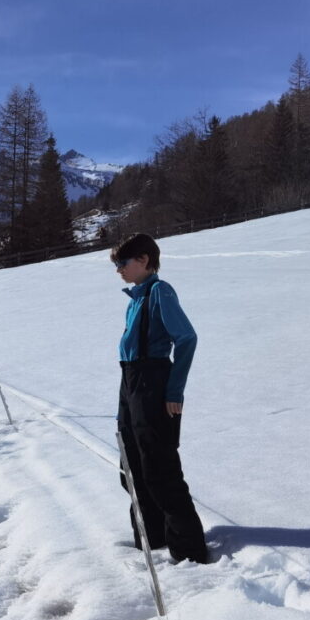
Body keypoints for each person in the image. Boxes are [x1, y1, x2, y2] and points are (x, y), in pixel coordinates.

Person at [112, 233, 208, 564]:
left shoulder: (159, 292)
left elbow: (187, 338)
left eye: (122, 263)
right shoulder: (134, 299)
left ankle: (189, 551)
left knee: (158, 466)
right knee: (131, 462)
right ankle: (151, 539)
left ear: (143, 260)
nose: (119, 271)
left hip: (153, 382)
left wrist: (173, 391)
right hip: (131, 382)